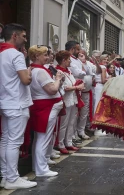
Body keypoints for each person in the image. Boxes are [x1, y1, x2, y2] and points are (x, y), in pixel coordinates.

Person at [0, 24, 36, 190]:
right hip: (17, 102)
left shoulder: (2, 52)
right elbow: (25, 80)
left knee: (6, 140)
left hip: (6, 101)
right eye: (23, 36)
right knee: (13, 142)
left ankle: (6, 175)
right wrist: (29, 71)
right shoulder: (15, 54)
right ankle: (12, 178)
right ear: (14, 36)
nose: (25, 39)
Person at [28, 45, 64, 177]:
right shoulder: (40, 71)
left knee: (39, 138)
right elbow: (52, 89)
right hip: (46, 107)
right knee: (43, 138)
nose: (48, 57)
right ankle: (42, 169)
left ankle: (37, 166)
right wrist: (58, 79)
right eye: (45, 55)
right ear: (37, 56)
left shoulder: (33, 69)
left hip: (41, 106)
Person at [56, 50, 85, 155]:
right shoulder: (58, 71)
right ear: (63, 60)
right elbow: (64, 88)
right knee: (63, 124)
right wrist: (77, 87)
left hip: (73, 100)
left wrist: (78, 85)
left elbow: (71, 84)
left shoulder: (68, 71)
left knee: (71, 123)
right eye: (68, 59)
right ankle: (61, 144)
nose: (70, 62)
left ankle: (68, 142)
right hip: (66, 100)